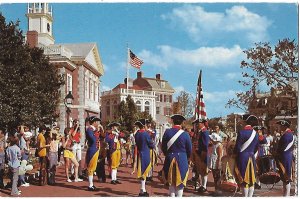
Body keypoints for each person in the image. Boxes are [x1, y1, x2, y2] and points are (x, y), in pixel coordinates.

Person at [161, 114, 192, 197]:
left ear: (173, 122)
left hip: (170, 157)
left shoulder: (167, 132)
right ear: (181, 123)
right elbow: (189, 149)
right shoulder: (185, 134)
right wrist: (188, 158)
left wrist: (167, 154)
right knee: (180, 182)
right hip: (182, 159)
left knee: (171, 181)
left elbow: (163, 146)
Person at [234, 114, 259, 197]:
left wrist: (234, 155)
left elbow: (237, 147)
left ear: (245, 122)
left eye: (242, 120)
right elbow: (256, 148)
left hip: (242, 157)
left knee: (243, 180)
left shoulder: (241, 132)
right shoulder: (255, 133)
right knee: (251, 180)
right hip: (251, 157)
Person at [134, 119, 154, 197]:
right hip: (145, 153)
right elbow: (151, 144)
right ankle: (142, 190)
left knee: (142, 171)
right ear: (143, 125)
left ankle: (143, 189)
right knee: (144, 172)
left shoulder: (137, 134)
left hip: (140, 153)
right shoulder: (145, 134)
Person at [275, 119, 294, 196]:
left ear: (285, 126)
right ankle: (286, 195)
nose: (280, 127)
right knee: (285, 178)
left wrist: (276, 153)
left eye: (281, 126)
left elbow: (282, 148)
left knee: (286, 178)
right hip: (287, 157)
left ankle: (286, 195)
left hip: (284, 158)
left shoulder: (286, 135)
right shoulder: (288, 134)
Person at [194, 118, 210, 193]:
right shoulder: (200, 132)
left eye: (198, 124)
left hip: (203, 154)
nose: (197, 125)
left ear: (202, 124)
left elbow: (205, 146)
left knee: (204, 170)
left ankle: (204, 186)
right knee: (201, 171)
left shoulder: (205, 132)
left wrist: (202, 156)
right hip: (199, 153)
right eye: (196, 124)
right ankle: (202, 185)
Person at [85, 116, 101, 191]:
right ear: (94, 122)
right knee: (91, 168)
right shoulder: (90, 129)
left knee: (93, 168)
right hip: (92, 150)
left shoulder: (93, 130)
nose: (98, 123)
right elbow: (93, 139)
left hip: (95, 149)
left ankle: (91, 184)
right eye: (96, 122)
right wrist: (96, 132)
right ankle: (90, 185)